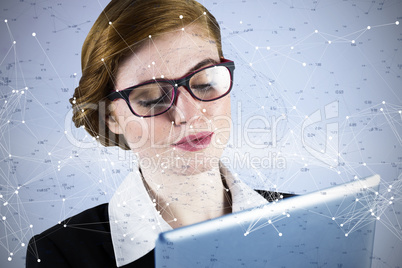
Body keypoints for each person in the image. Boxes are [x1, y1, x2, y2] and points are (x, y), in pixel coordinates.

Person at [26, 0, 293, 267]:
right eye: (153, 98)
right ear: (110, 118)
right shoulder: (60, 254)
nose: (189, 114)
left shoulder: (311, 220)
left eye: (205, 82)